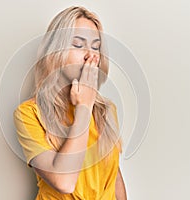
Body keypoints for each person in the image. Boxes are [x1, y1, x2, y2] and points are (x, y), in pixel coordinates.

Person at [13, 6, 127, 200]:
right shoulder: (28, 114)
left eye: (95, 46)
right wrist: (84, 107)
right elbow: (64, 182)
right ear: (55, 51)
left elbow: (114, 176)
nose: (90, 55)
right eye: (77, 44)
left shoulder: (107, 111)